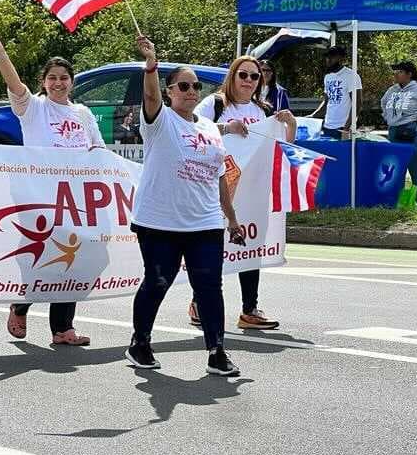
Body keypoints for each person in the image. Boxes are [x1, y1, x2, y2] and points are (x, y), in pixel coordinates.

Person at [126, 35, 247, 377]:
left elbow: (219, 174)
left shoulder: (209, 127)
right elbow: (148, 96)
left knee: (209, 286)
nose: (191, 91)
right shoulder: (159, 120)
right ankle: (140, 342)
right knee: (158, 281)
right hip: (160, 222)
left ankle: (217, 350)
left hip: (205, 223)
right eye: (183, 85)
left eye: (195, 86)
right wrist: (151, 65)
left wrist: (232, 219)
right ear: (169, 91)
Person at [0, 32, 102, 346]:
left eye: (64, 78)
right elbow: (14, 86)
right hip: (39, 200)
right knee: (44, 261)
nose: (58, 83)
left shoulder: (83, 114)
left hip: (76, 201)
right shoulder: (34, 108)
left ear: (72, 82)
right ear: (44, 82)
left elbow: (98, 152)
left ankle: (63, 329)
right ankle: (21, 304)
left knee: (76, 261)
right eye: (52, 78)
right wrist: (0, 52)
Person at [189, 54, 296, 331]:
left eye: (255, 76)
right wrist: (227, 128)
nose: (249, 80)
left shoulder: (263, 110)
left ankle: (250, 309)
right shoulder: (215, 103)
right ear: (232, 76)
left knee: (250, 245)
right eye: (243, 75)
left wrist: (290, 126)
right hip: (217, 188)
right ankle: (199, 301)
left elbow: (279, 150)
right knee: (214, 246)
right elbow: (190, 128)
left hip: (253, 191)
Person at [379, 61, 417, 208]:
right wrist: (387, 117)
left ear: (409, 74)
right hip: (395, 131)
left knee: (415, 170)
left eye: (399, 71)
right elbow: (383, 102)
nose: (396, 74)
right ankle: (399, 203)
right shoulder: (392, 90)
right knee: (398, 170)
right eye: (395, 71)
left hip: (415, 132)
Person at [310, 46, 362, 139]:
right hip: (327, 126)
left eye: (332, 57)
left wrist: (346, 128)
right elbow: (326, 102)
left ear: (341, 58)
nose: (328, 59)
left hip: (342, 128)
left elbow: (357, 104)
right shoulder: (328, 77)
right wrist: (312, 116)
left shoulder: (351, 76)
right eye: (327, 57)